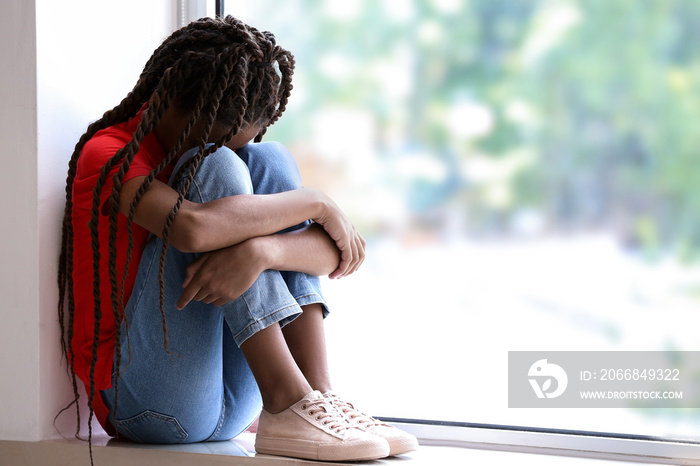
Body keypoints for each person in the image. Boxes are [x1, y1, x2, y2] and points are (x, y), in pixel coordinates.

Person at [57, 15, 418, 463]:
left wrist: (261, 250)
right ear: (170, 105)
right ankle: (289, 399)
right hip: (145, 403)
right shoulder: (109, 152)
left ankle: (315, 398)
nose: (230, 148)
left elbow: (327, 256)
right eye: (215, 137)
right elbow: (194, 228)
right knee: (218, 170)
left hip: (236, 403)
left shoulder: (245, 156)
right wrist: (316, 203)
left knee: (268, 160)